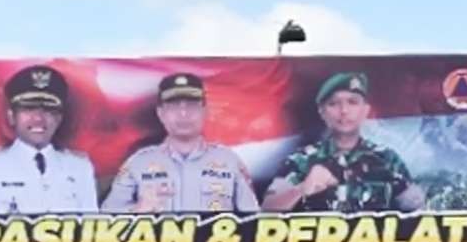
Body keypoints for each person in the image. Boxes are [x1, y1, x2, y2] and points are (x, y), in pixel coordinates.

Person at [262, 72, 423, 213]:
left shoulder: (387, 159)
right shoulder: (300, 160)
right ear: (322, 112)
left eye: (352, 102)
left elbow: (420, 214)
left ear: (365, 110)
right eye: (333, 103)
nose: (344, 111)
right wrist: (301, 189)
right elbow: (267, 210)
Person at [103, 73, 257, 213]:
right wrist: (138, 210)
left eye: (191, 105)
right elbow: (103, 223)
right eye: (174, 106)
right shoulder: (138, 163)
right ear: (161, 113)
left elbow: (255, 222)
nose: (183, 114)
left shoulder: (229, 161)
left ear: (205, 111)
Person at [0, 65, 98, 214]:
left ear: (59, 119)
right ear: (12, 117)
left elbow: (91, 231)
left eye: (48, 110)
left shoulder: (79, 168)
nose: (38, 118)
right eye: (28, 109)